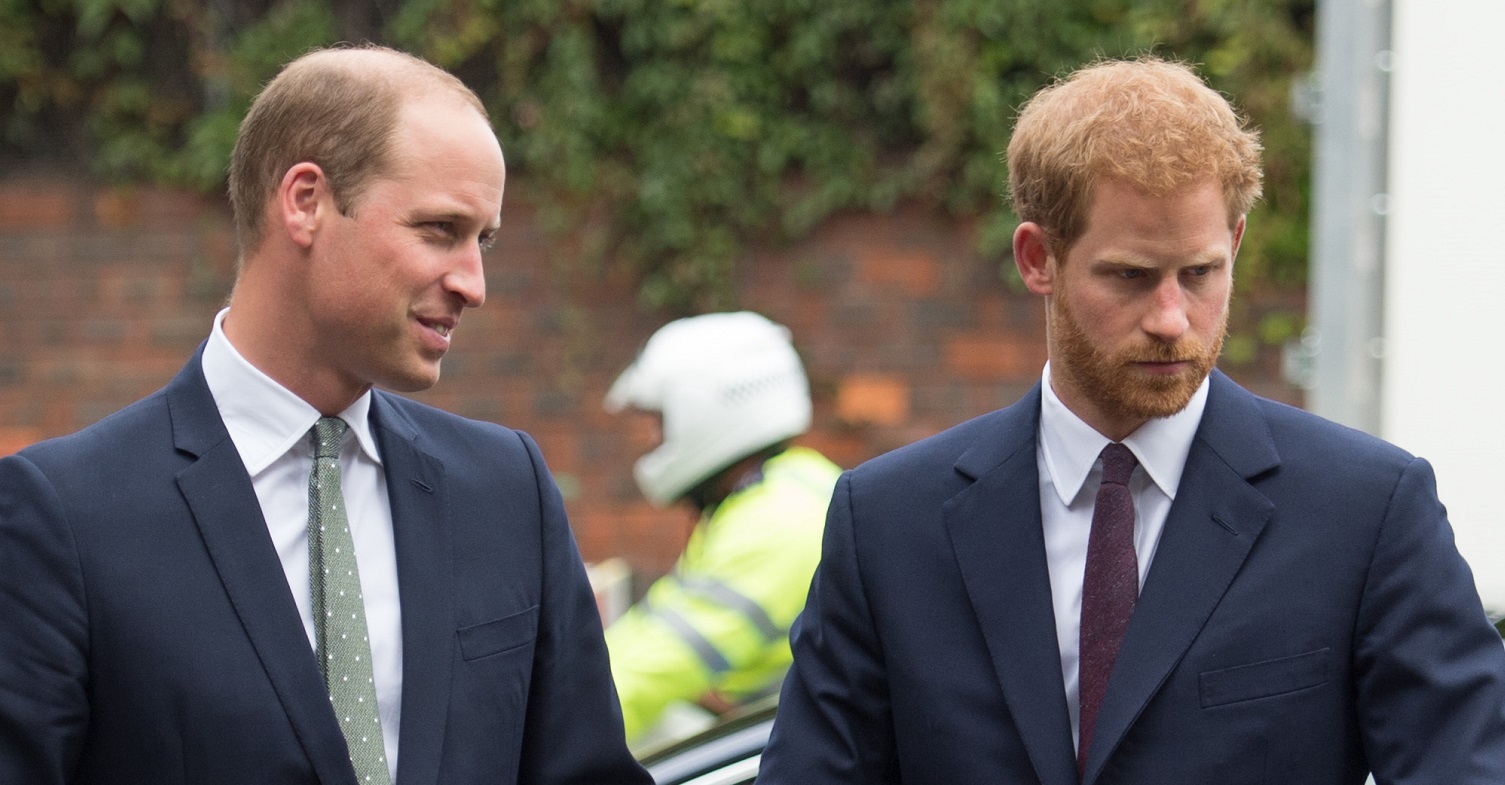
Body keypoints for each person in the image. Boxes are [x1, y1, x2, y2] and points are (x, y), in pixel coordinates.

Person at [756, 56, 1505, 785]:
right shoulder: (889, 523)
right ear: (1036, 257)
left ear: (1235, 244)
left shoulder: (1365, 509)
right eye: (1130, 275)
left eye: (1200, 272)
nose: (1172, 319)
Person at [0, 45, 650, 785]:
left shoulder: (507, 489)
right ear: (305, 201)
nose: (473, 282)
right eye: (440, 229)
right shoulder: (64, 515)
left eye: (484, 240)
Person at [601, 311, 841, 748]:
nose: (650, 440)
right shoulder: (779, 492)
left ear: (704, 411)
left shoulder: (777, 524)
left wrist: (539, 731)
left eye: (659, 422)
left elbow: (652, 669)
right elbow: (657, 626)